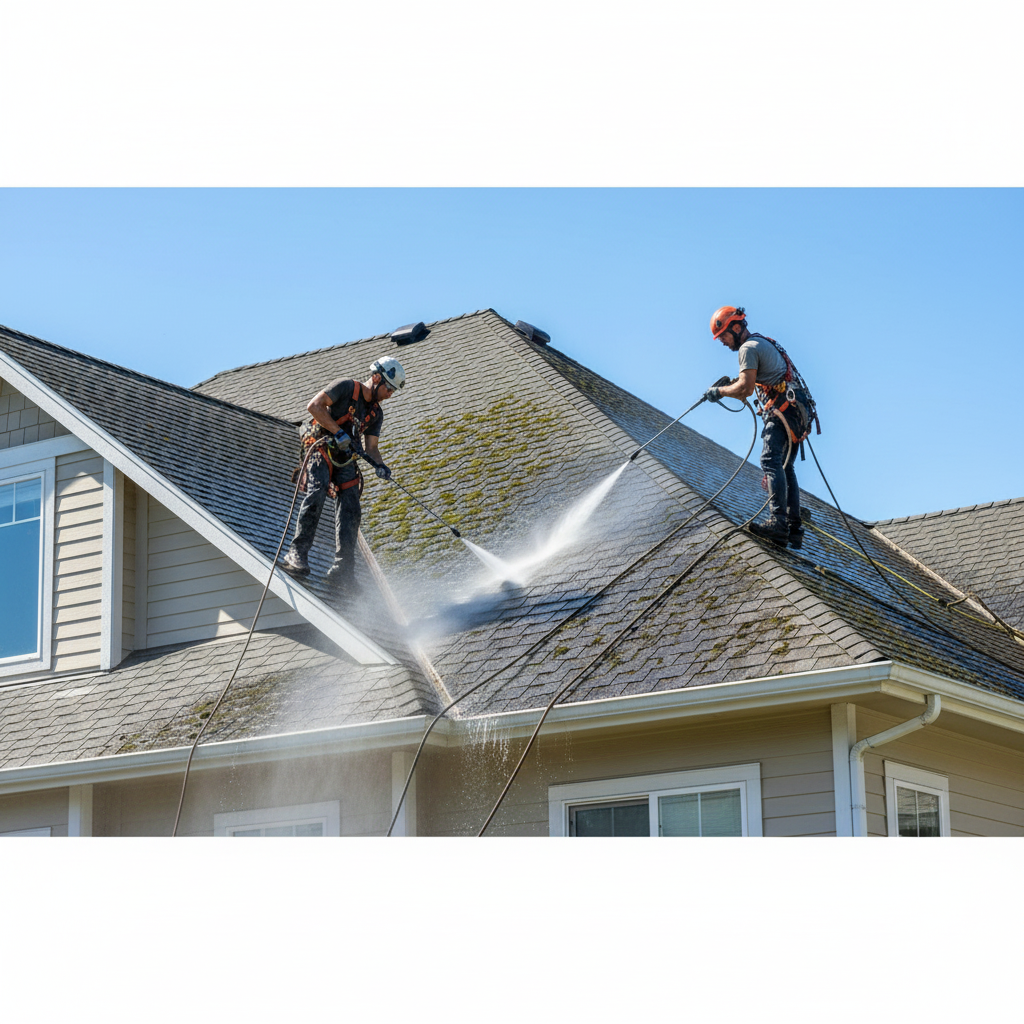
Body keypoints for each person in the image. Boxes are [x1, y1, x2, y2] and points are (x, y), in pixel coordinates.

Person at [281, 357, 406, 590]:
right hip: (321, 446)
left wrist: (382, 466)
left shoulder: (376, 413)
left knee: (352, 506)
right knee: (316, 492)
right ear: (376, 378)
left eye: (392, 391)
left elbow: (371, 448)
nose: (390, 394)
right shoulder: (346, 387)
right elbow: (314, 406)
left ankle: (343, 570)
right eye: (389, 388)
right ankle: (296, 554)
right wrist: (338, 432)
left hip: (345, 457)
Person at [704, 306, 816, 547]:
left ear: (736, 327)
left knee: (770, 461)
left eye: (723, 335)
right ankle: (793, 529)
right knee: (785, 467)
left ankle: (778, 522)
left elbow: (745, 388)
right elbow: (751, 380)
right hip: (796, 412)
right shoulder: (762, 342)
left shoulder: (747, 348)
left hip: (783, 411)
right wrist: (733, 383)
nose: (722, 342)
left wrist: (719, 392)